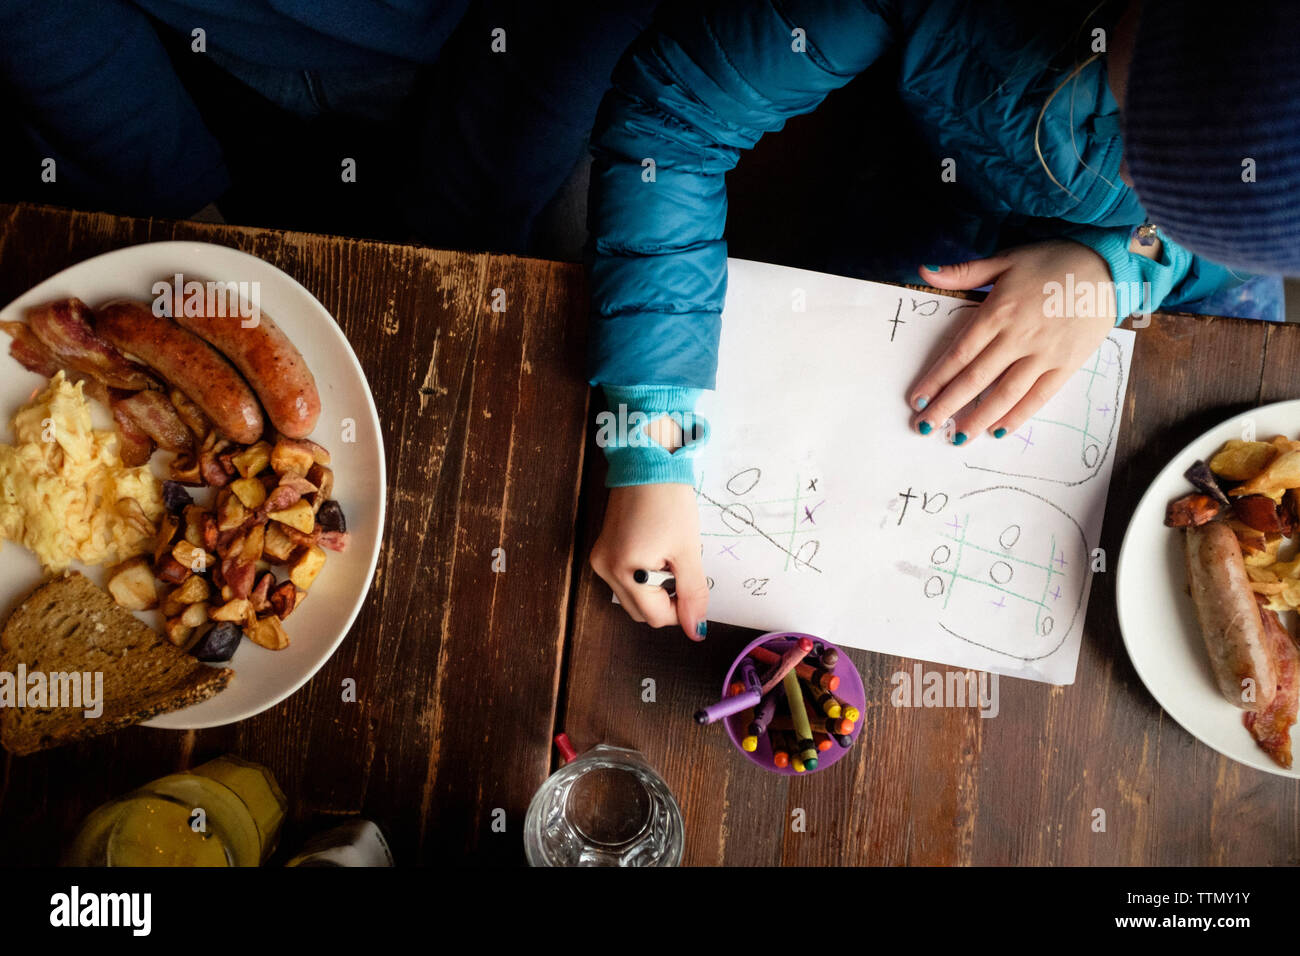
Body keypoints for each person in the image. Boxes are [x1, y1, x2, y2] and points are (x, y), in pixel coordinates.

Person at [585, 0, 1300, 640]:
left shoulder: (1221, 205)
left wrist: (1125, 262)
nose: (1138, 186)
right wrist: (653, 438)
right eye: (1150, 149)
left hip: (1171, 276)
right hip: (937, 193)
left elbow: (1196, 236)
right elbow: (671, 124)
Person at [0, 0, 655, 255]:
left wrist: (446, 239)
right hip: (177, 53)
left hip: (515, 61)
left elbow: (568, 26)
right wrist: (181, 209)